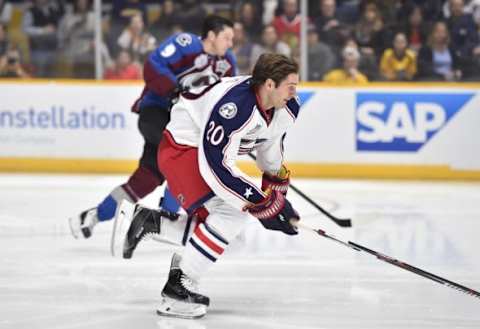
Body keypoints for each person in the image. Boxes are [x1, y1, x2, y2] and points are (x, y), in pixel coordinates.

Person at [113, 53, 302, 319]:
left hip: (199, 153)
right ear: (269, 84)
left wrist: (278, 197)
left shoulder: (287, 107)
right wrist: (262, 203)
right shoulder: (234, 108)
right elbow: (217, 167)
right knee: (233, 214)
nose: (295, 93)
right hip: (182, 147)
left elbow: (270, 151)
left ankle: (150, 222)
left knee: (230, 237)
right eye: (291, 86)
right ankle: (177, 288)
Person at [69, 15, 236, 239]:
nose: (231, 44)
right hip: (156, 114)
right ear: (212, 36)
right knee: (185, 161)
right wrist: (175, 90)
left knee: (147, 179)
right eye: (227, 38)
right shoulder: (186, 44)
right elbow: (153, 65)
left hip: (183, 125)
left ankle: (93, 216)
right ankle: (165, 220)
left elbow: (224, 101)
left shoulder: (227, 64)